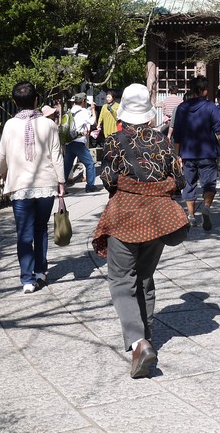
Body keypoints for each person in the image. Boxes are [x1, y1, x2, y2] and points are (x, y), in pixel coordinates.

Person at [93, 83, 190, 379]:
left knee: (121, 279)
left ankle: (138, 342)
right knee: (145, 278)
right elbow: (179, 179)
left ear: (123, 112)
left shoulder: (113, 141)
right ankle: (146, 338)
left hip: (125, 216)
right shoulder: (162, 141)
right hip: (158, 217)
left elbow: (108, 179)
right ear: (149, 114)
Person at [0, 82, 65, 294]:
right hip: (46, 183)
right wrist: (61, 181)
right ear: (36, 100)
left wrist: (3, 173)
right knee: (40, 228)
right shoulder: (49, 124)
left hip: (20, 186)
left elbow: (1, 155)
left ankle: (27, 279)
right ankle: (40, 271)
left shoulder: (9, 125)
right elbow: (57, 155)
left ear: (15, 101)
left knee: (24, 233)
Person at [171, 76, 220, 231]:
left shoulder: (182, 108)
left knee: (189, 184)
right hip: (207, 152)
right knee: (209, 183)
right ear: (203, 90)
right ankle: (206, 207)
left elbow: (177, 134)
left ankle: (191, 215)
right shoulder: (210, 106)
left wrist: (177, 154)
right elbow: (218, 129)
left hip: (187, 153)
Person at [64, 91, 100, 192]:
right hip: (78, 142)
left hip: (69, 142)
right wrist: (93, 109)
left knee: (67, 166)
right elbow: (92, 121)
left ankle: (61, 187)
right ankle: (90, 186)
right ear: (83, 101)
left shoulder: (70, 111)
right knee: (90, 164)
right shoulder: (83, 112)